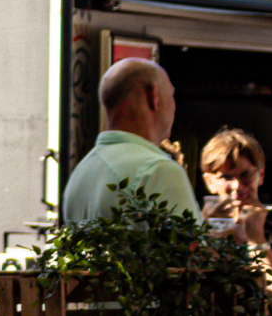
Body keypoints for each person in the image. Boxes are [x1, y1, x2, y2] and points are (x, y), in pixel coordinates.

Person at [60, 56, 201, 224]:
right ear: (153, 97)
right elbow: (190, 248)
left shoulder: (81, 173)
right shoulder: (158, 170)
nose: (174, 106)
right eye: (171, 95)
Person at [198, 126, 272, 316]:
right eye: (226, 177)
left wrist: (256, 240)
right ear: (209, 182)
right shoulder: (197, 228)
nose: (237, 186)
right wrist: (205, 233)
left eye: (245, 175)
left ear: (261, 175)